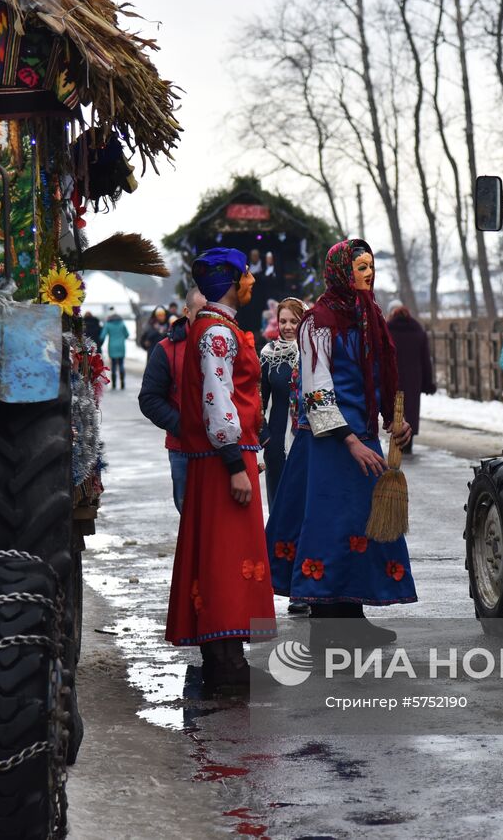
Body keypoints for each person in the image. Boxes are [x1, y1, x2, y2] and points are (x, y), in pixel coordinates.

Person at [268, 239, 414, 648]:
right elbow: (316, 392)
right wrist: (350, 441)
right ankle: (323, 627)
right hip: (329, 443)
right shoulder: (318, 321)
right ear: (340, 272)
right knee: (328, 529)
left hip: (363, 437)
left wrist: (394, 422)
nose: (369, 273)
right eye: (360, 267)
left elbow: (382, 376)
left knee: (359, 528)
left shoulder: (371, 317)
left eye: (371, 265)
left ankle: (352, 617)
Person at [165, 249, 275, 689]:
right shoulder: (217, 334)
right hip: (221, 460)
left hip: (220, 457)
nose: (251, 281)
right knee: (227, 556)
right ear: (230, 282)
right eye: (246, 274)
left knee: (221, 555)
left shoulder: (216, 328)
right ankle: (227, 661)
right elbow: (218, 399)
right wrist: (234, 463)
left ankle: (225, 654)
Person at [138, 289, 205, 513]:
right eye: (201, 312)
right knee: (188, 515)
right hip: (182, 448)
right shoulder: (166, 349)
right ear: (186, 311)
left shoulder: (227, 343)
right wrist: (182, 426)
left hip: (223, 450)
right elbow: (149, 399)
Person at [261, 298, 305, 502]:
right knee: (278, 498)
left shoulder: (313, 352)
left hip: (306, 437)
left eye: (294, 322)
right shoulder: (268, 354)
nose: (287, 327)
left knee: (302, 498)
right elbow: (258, 399)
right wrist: (264, 436)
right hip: (276, 439)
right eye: (283, 321)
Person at [386, 301, 435, 455]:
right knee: (411, 409)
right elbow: (426, 360)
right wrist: (428, 383)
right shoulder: (418, 331)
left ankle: (395, 441)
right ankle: (408, 442)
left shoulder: (387, 330)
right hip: (414, 377)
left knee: (395, 407)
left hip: (393, 376)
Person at [99, 309, 130, 390]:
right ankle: (122, 383)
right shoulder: (122, 323)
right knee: (121, 364)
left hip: (112, 346)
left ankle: (114, 384)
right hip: (121, 346)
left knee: (113, 365)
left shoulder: (108, 324)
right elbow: (127, 335)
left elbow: (102, 336)